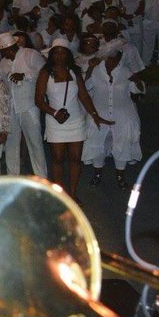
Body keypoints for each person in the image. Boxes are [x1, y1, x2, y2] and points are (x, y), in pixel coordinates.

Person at [36, 39, 112, 200]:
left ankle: (72, 194)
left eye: (63, 52)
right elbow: (38, 100)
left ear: (68, 54)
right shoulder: (45, 73)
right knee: (57, 159)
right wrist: (54, 113)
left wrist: (95, 115)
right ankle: (59, 195)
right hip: (55, 120)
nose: (59, 55)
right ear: (51, 54)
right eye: (56, 52)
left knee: (76, 159)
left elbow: (83, 95)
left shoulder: (74, 71)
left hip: (75, 120)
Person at [81, 48, 142, 189]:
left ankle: (120, 176)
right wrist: (90, 69)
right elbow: (85, 87)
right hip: (99, 114)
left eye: (116, 59)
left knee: (122, 143)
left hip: (123, 115)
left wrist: (137, 80)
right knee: (96, 142)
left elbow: (138, 90)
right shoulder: (96, 70)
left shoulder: (126, 71)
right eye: (110, 59)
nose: (112, 62)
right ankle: (97, 175)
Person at [0, 32, 47, 177]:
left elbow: (44, 73)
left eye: (2, 51)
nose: (1, 54)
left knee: (35, 145)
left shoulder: (31, 54)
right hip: (11, 108)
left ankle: (42, 179)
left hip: (29, 107)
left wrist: (25, 75)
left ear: (9, 48)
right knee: (11, 145)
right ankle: (13, 178)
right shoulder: (4, 63)